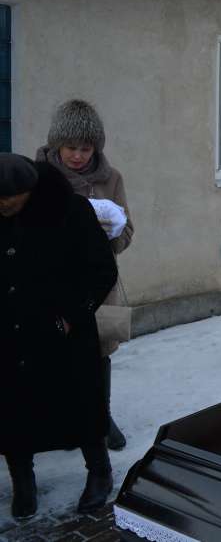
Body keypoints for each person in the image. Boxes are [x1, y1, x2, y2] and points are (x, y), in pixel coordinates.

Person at [1, 154, 119, 518]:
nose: (2, 204)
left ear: (30, 190)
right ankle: (23, 481)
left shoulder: (71, 211)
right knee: (12, 410)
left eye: (9, 197)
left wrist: (72, 316)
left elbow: (102, 270)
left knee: (80, 405)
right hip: (10, 333)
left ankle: (99, 472)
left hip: (62, 332)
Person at [36, 99, 133, 451]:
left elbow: (127, 233)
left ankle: (102, 417)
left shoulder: (111, 179)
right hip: (52, 282)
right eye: (71, 147)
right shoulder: (39, 178)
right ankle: (63, 421)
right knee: (56, 352)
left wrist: (113, 231)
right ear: (57, 144)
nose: (78, 156)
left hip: (98, 284)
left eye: (86, 148)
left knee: (99, 353)